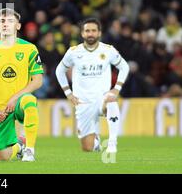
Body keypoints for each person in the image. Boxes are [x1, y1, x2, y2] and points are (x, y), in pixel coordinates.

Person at [0, 8, 44, 162]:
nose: (5, 24)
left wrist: (15, 98)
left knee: (29, 101)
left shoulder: (29, 49)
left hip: (19, 102)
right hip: (0, 108)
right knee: (3, 156)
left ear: (18, 26)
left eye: (10, 21)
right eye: (2, 21)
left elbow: (38, 80)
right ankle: (19, 146)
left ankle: (30, 151)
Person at [55, 18, 129, 154]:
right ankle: (95, 141)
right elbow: (59, 71)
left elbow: (124, 67)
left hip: (102, 98)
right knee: (87, 148)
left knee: (111, 99)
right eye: (87, 31)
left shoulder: (108, 50)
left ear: (99, 33)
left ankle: (112, 143)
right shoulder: (73, 52)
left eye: (93, 31)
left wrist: (116, 89)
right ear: (82, 34)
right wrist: (68, 93)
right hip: (82, 102)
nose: (90, 34)